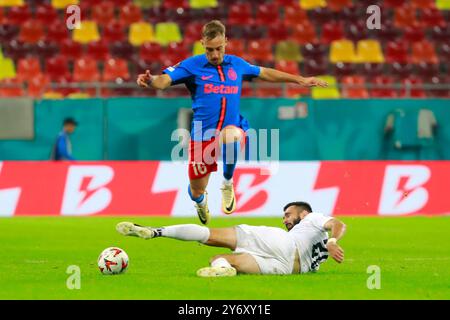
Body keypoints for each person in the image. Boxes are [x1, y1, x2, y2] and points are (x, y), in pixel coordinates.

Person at [136, 20, 328, 225]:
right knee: (196, 189)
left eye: (219, 48)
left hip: (232, 126)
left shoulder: (237, 64)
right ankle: (201, 202)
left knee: (230, 135)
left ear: (226, 42)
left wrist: (300, 80)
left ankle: (227, 183)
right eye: (210, 50)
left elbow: (265, 73)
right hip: (203, 135)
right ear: (202, 44)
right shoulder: (191, 65)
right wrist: (151, 81)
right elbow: (163, 81)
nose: (215, 54)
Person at [116, 201, 346, 277]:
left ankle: (157, 231)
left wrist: (333, 240)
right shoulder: (316, 240)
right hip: (290, 269)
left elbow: (338, 224)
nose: (285, 219)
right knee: (221, 258)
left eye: (288, 214)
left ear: (303, 213)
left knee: (214, 236)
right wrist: (329, 244)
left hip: (283, 245)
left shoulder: (312, 218)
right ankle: (224, 270)